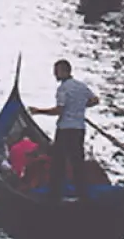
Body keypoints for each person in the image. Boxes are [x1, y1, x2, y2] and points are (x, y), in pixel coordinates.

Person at [29, 59, 99, 200]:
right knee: (77, 161)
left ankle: (54, 194)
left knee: (58, 163)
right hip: (79, 129)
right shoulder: (81, 86)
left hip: (65, 129)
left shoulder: (63, 89)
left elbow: (59, 110)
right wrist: (79, 107)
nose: (54, 74)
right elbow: (95, 100)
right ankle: (82, 194)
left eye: (56, 71)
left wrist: (38, 111)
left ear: (63, 71)